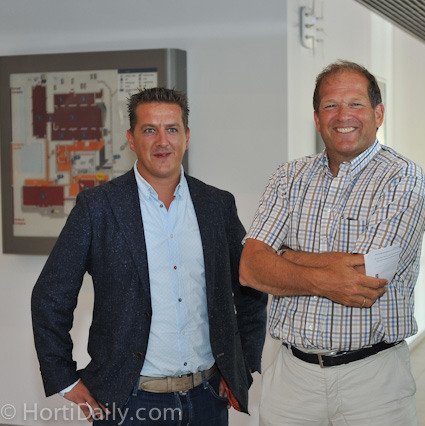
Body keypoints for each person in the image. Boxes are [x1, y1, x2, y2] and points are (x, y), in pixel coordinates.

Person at [31, 87, 267, 425]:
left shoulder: (217, 205)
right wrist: (64, 378)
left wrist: (241, 365)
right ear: (131, 139)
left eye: (172, 129)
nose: (162, 141)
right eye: (149, 130)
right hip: (129, 403)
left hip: (207, 400)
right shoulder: (98, 208)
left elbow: (251, 286)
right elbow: (50, 296)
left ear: (187, 136)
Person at [239, 60, 425, 425]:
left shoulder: (403, 179)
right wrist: (327, 275)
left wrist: (285, 256)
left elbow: (365, 279)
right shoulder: (288, 177)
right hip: (291, 379)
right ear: (317, 119)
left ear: (378, 113)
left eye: (356, 103)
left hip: (373, 381)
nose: (343, 115)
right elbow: (250, 267)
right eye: (331, 105)